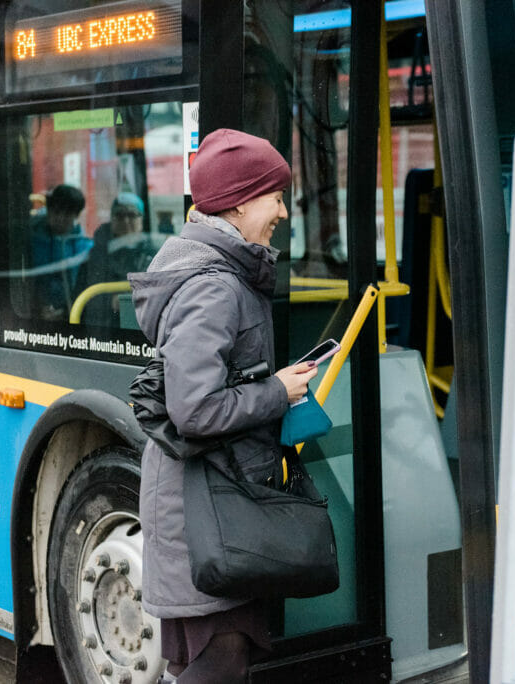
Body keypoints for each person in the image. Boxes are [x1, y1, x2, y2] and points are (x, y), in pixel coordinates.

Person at [129, 129, 316, 683]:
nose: (283, 209)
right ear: (237, 201)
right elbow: (195, 409)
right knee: (220, 660)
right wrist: (278, 391)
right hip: (203, 510)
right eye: (274, 196)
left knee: (219, 658)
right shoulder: (214, 287)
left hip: (213, 501)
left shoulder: (223, 275)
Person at [77, 192, 154, 327]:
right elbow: (82, 295)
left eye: (131, 215)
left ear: (142, 220)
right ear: (112, 220)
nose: (125, 221)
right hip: (104, 329)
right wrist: (110, 301)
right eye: (119, 215)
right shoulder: (97, 254)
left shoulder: (153, 254)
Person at [28, 184, 91, 320]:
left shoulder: (85, 248)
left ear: (76, 215)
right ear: (48, 211)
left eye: (67, 214)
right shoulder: (31, 242)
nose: (60, 218)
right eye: (56, 212)